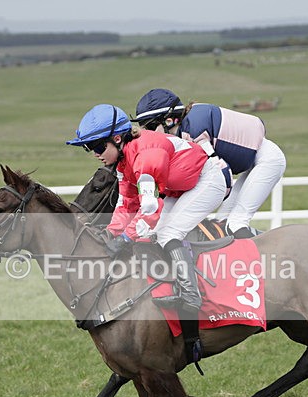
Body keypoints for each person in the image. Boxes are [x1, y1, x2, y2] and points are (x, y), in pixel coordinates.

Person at [67, 104, 227, 360]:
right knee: (150, 232)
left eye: (97, 147)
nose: (95, 154)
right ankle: (165, 283)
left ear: (117, 139)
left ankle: (189, 294)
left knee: (167, 232)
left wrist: (125, 239)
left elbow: (150, 208)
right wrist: (111, 234)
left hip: (209, 180)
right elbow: (126, 205)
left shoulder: (145, 156)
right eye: (89, 149)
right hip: (184, 186)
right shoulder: (124, 162)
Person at [133, 88, 287, 239]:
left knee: (235, 225)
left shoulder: (193, 132)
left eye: (151, 127)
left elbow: (222, 173)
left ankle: (278, 246)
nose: (148, 134)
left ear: (169, 120)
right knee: (221, 225)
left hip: (268, 160)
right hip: (253, 159)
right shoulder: (182, 134)